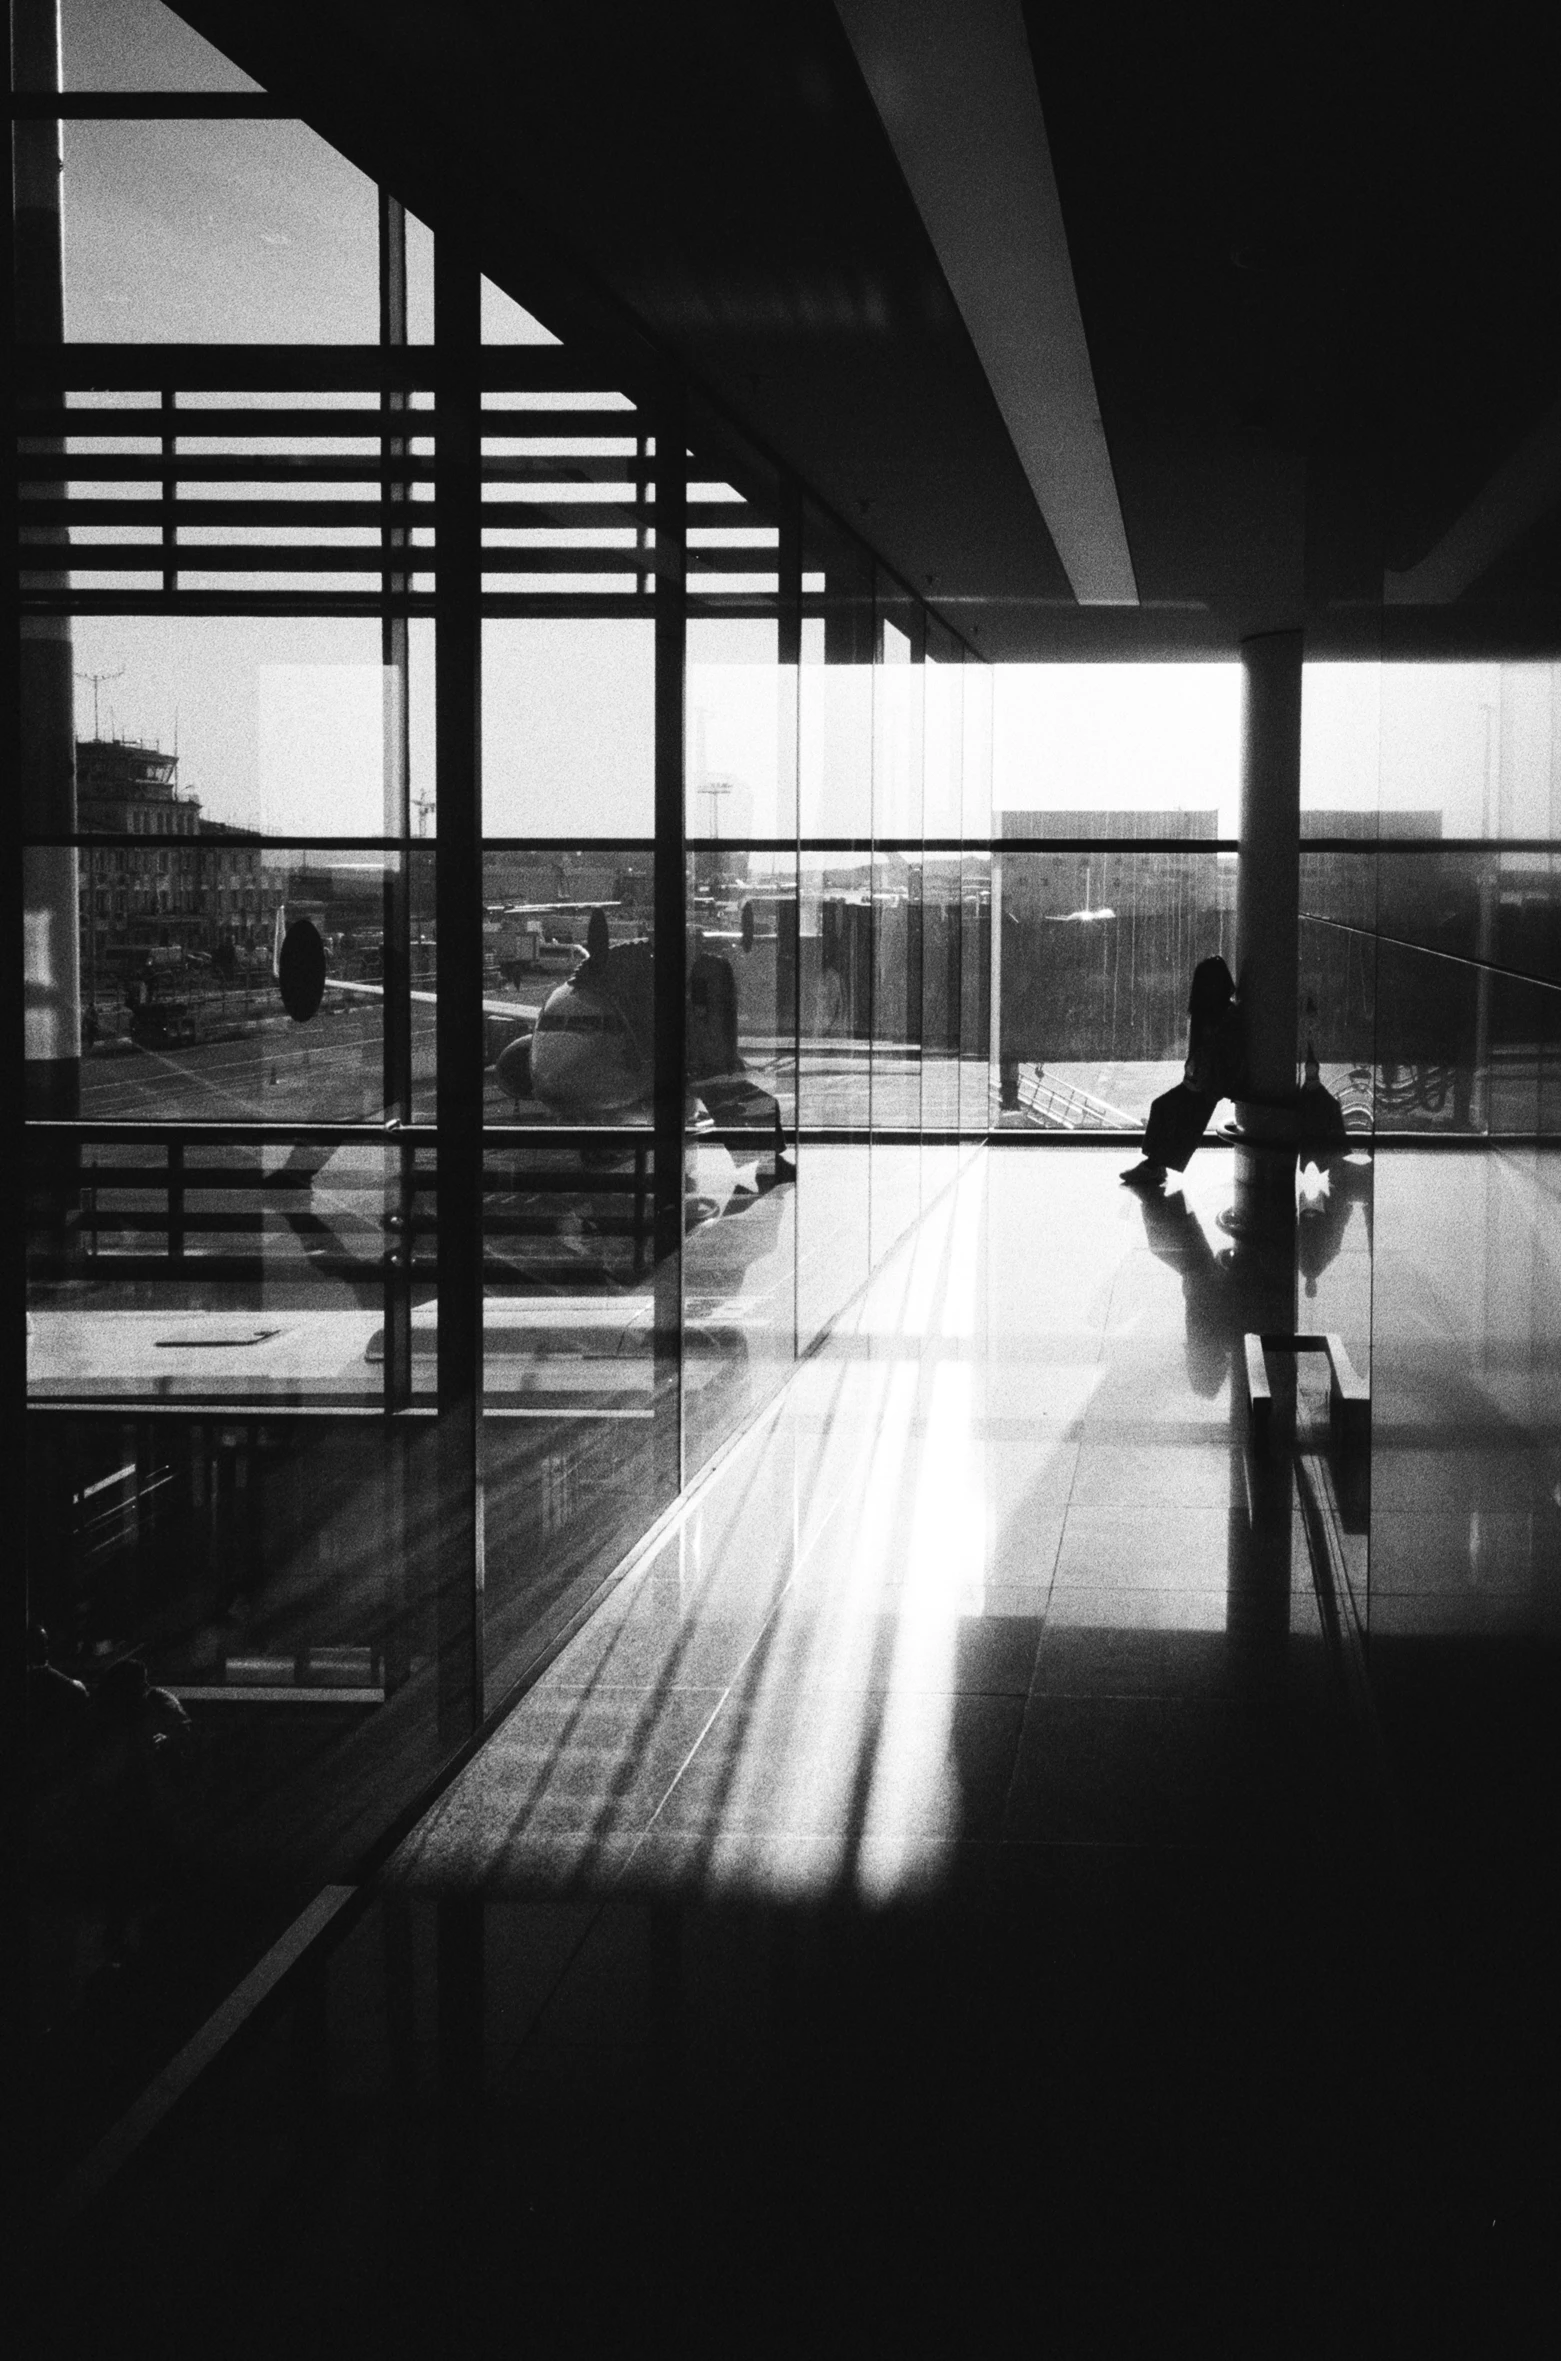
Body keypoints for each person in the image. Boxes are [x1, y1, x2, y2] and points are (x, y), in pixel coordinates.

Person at [1121, 955, 1245, 1189]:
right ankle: (1155, 1165)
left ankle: (1154, 1165)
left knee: (1168, 1110)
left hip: (1208, 1081)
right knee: (1175, 1113)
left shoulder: (1214, 1016)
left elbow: (1211, 1052)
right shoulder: (1225, 1014)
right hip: (1208, 1080)